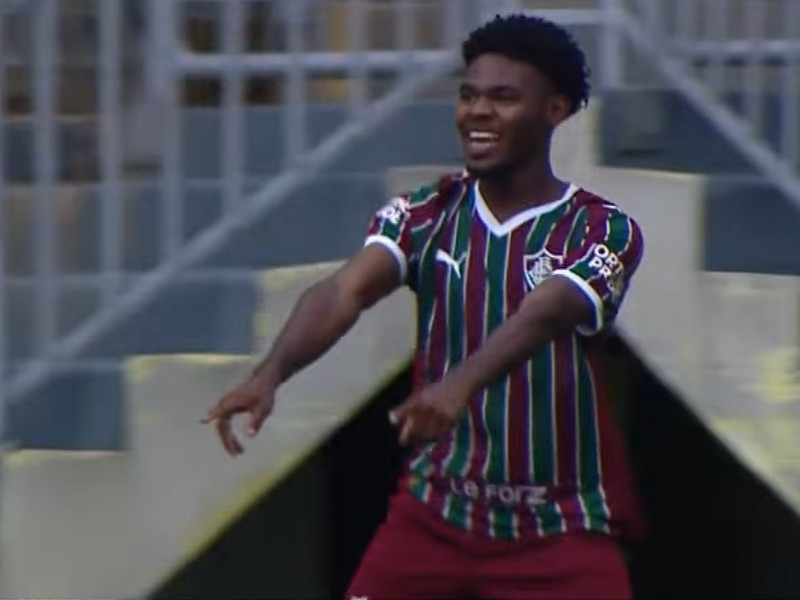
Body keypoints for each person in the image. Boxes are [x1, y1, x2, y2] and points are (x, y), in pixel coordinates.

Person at [203, 13, 645, 600]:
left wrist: (458, 386)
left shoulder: (602, 229)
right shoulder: (423, 214)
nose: (478, 112)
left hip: (558, 530)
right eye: (468, 96)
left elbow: (549, 310)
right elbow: (344, 291)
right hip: (436, 516)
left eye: (503, 98)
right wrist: (270, 375)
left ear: (555, 110)